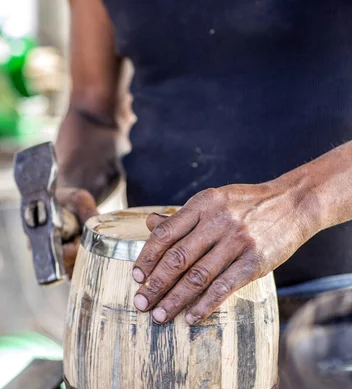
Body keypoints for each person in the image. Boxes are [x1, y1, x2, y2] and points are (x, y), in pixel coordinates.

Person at [56, 0, 352, 324]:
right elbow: (92, 111)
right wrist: (69, 191)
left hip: (337, 301)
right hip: (164, 304)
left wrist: (299, 203)